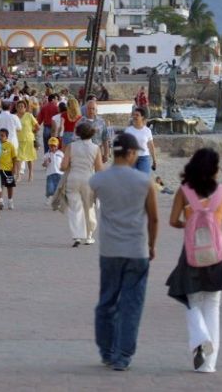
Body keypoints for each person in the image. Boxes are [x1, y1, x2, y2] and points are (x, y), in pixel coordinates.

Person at [165, 147, 222, 373]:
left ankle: (200, 337)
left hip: (191, 254)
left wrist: (188, 224)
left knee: (192, 302)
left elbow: (172, 221)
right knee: (213, 307)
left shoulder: (184, 191)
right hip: (218, 255)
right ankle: (208, 365)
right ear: (214, 169)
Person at [89, 132, 159, 371]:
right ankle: (123, 356)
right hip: (136, 249)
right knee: (131, 305)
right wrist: (152, 245)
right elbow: (154, 218)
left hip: (110, 250)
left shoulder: (99, 179)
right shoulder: (144, 181)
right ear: (130, 153)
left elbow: (91, 200)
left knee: (107, 301)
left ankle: (107, 352)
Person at [60, 122, 104, 247]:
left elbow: (63, 166)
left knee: (75, 207)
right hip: (89, 179)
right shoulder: (95, 148)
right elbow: (99, 168)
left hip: (73, 178)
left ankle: (77, 236)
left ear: (78, 133)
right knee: (88, 207)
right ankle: (89, 236)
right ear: (92, 134)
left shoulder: (71, 146)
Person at [124, 107, 157, 175]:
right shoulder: (128, 130)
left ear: (142, 117)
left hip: (144, 158)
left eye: (137, 115)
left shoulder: (147, 131)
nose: (135, 116)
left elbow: (151, 146)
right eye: (134, 115)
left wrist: (154, 160)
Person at [79, 99, 111, 164]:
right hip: (84, 153)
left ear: (96, 110)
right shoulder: (80, 122)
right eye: (89, 108)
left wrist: (106, 154)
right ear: (86, 109)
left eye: (93, 109)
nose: (91, 111)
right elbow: (75, 139)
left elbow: (105, 139)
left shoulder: (101, 122)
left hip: (98, 152)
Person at [15, 100, 39, 182]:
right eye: (19, 106)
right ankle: (18, 175)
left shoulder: (29, 115)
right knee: (18, 158)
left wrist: (32, 132)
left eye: (22, 106)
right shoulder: (14, 117)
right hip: (18, 139)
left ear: (25, 108)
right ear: (16, 108)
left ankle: (30, 174)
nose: (20, 108)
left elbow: (37, 127)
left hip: (29, 139)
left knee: (29, 158)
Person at [0, 128, 19, 210]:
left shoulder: (10, 145)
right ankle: (0, 201)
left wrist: (14, 168)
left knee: (10, 186)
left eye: (2, 136)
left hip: (8, 170)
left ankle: (10, 201)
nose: (0, 137)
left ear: (6, 137)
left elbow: (14, 158)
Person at [42, 137, 64, 206]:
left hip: (59, 174)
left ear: (57, 146)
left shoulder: (60, 154)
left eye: (54, 146)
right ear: (49, 146)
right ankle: (49, 198)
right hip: (50, 174)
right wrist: (46, 162)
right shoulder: (47, 155)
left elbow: (64, 162)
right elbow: (44, 165)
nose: (52, 148)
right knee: (50, 188)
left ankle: (58, 202)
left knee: (59, 189)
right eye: (51, 146)